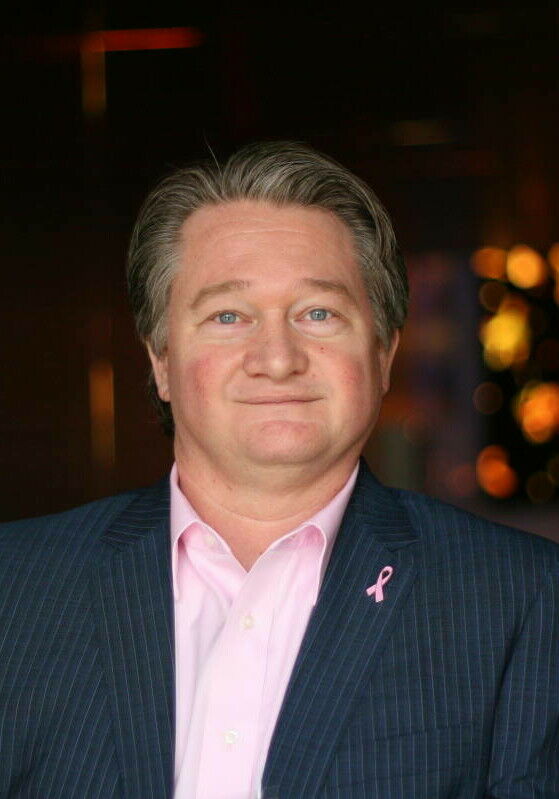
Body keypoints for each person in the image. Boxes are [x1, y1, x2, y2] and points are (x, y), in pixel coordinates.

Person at [0, 141, 557, 799]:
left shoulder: (526, 598)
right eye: (227, 316)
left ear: (383, 354)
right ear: (160, 361)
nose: (276, 357)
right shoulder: (16, 586)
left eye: (318, 313)